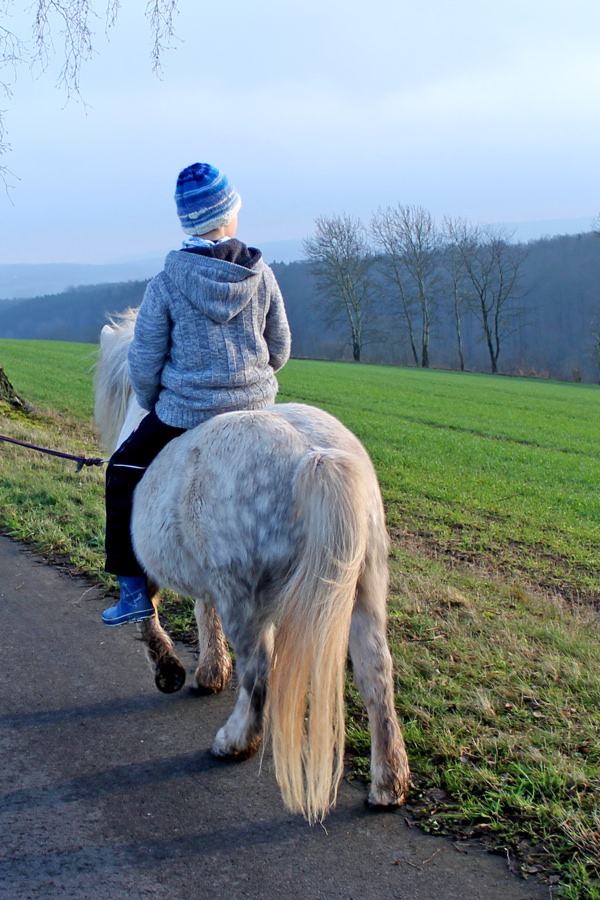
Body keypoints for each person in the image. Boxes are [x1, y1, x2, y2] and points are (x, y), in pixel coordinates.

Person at [102, 162, 292, 625]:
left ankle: (132, 593)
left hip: (186, 413)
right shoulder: (260, 274)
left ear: (189, 223)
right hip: (256, 408)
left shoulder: (166, 283)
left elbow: (143, 363)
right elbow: (281, 348)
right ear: (229, 215)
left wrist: (152, 399)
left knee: (121, 472)